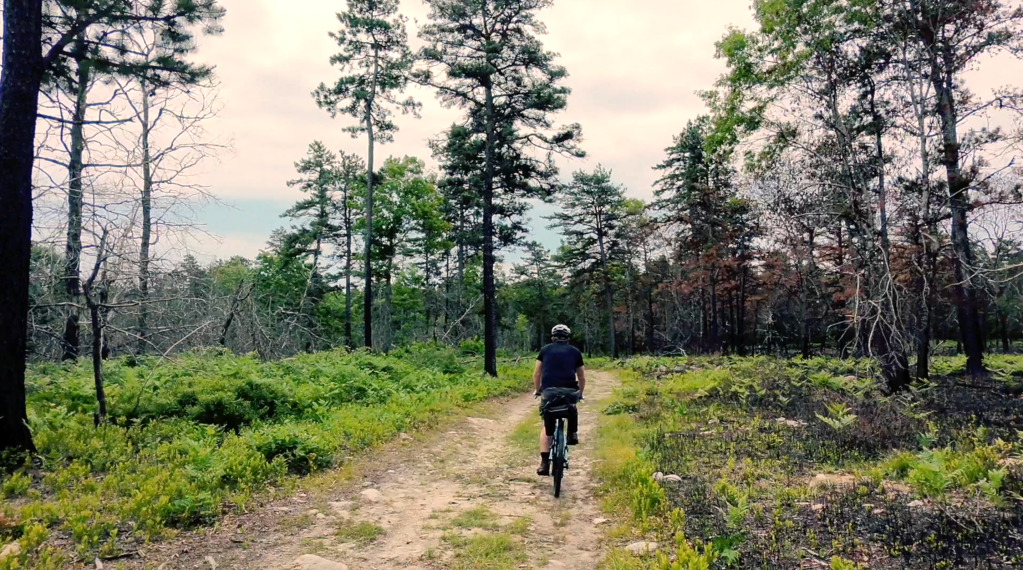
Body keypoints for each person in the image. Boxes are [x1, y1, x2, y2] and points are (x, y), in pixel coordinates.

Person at [533, 324, 585, 476]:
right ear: (568, 337)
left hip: (549, 392)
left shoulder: (545, 350)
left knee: (546, 426)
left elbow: (537, 374)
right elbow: (582, 377)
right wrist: (580, 393)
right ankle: (572, 434)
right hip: (569, 392)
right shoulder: (575, 352)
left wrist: (538, 390)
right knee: (572, 408)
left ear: (553, 336)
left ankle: (544, 464)